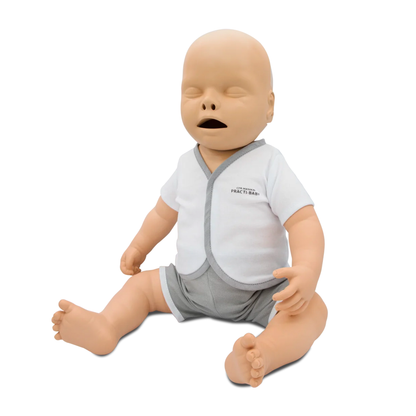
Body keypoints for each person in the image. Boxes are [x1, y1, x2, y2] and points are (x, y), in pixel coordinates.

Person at [52, 29, 328, 388]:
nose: (208, 103)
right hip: (186, 285)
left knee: (313, 310)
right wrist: (139, 246)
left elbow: (303, 220)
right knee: (141, 287)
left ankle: (262, 353)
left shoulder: (270, 165)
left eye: (232, 91)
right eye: (194, 92)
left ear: (269, 105)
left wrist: (307, 270)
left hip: (259, 293)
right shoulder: (186, 164)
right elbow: (162, 213)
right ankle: (106, 326)